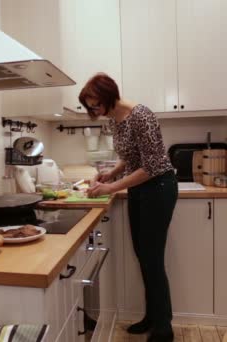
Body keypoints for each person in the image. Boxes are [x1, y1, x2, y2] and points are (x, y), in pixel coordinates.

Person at [80, 73, 178, 342]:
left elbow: (152, 166)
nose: (94, 111)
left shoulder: (141, 116)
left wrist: (112, 187)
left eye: (96, 105)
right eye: (91, 107)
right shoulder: (115, 120)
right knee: (143, 256)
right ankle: (152, 317)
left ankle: (164, 328)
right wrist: (110, 174)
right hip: (140, 189)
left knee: (152, 259)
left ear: (109, 96)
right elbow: (129, 158)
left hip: (158, 188)